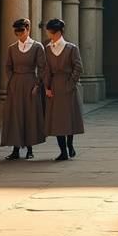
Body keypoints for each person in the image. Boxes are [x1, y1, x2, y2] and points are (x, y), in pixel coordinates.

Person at [0, 18, 46, 160]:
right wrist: (12, 80)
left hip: (31, 82)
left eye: (21, 30)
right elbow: (8, 66)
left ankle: (30, 149)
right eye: (16, 31)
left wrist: (37, 85)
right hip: (15, 83)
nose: (19, 33)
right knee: (15, 115)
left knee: (29, 115)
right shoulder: (12, 48)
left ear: (28, 29)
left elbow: (43, 67)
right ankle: (15, 149)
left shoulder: (37, 47)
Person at [43, 18, 84, 161]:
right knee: (57, 121)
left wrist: (70, 84)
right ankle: (63, 151)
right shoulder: (47, 49)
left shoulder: (72, 48)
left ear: (58, 32)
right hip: (54, 86)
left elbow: (78, 68)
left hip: (68, 87)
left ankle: (70, 145)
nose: (48, 35)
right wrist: (47, 87)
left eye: (50, 32)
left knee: (68, 119)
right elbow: (46, 70)